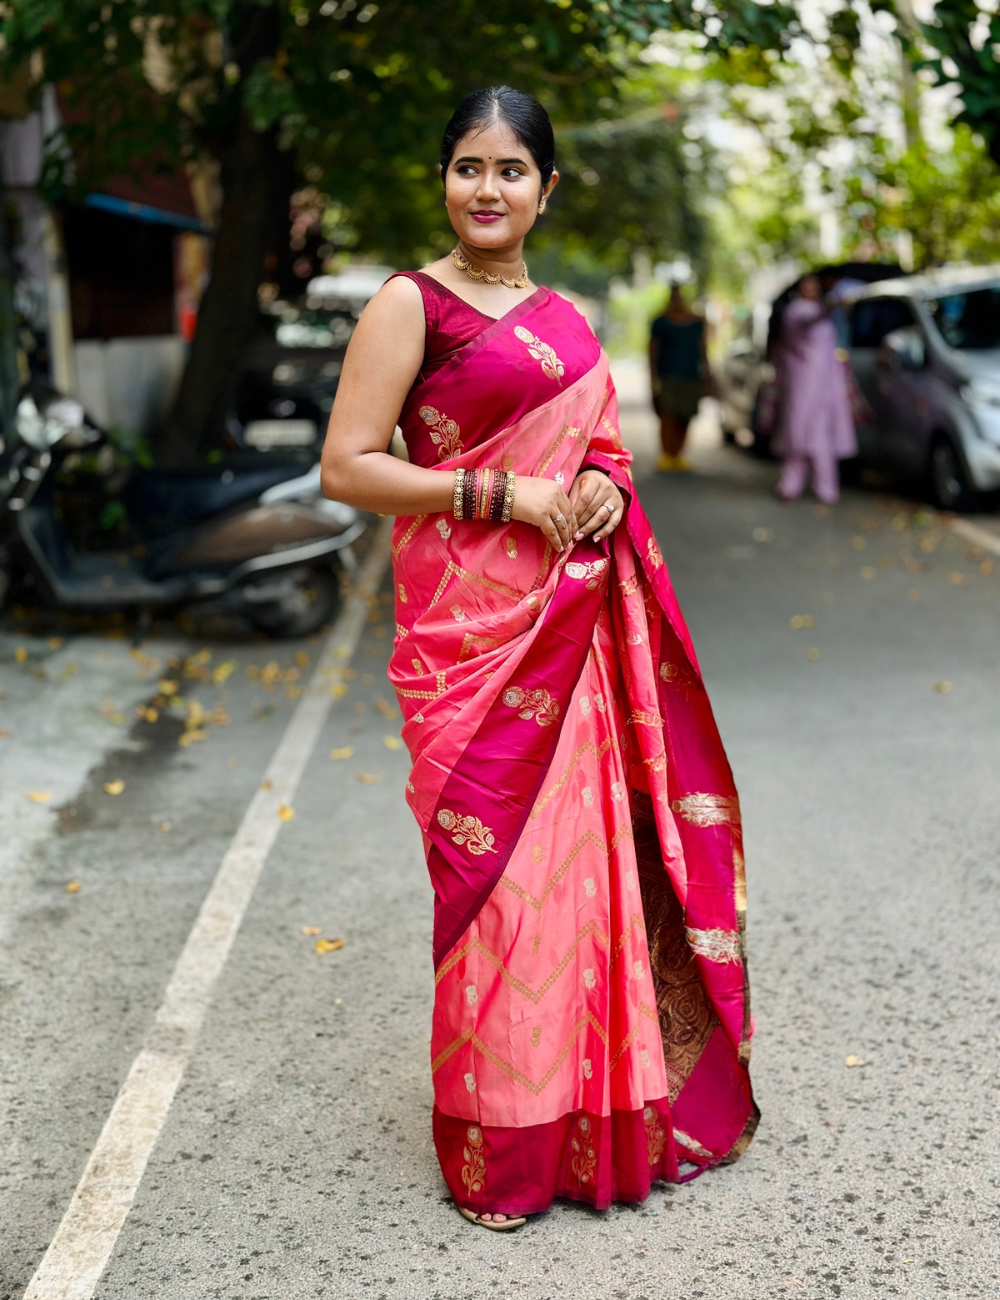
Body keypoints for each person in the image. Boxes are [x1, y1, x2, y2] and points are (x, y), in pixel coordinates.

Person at [321, 86, 757, 1232]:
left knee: (584, 886)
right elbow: (348, 466)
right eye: (468, 166)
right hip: (468, 646)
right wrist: (497, 490)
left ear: (546, 189)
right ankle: (502, 1149)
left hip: (573, 638)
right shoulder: (407, 306)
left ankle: (597, 1124)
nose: (486, 189)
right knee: (505, 892)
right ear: (443, 180)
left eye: (510, 170)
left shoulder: (565, 319)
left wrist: (607, 481)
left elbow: (600, 443)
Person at [774, 274, 857, 505]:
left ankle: (826, 490)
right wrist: (833, 304)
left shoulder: (822, 315)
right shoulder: (796, 311)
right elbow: (813, 317)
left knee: (822, 438)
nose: (811, 290)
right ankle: (790, 486)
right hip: (802, 385)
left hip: (825, 386)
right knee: (798, 438)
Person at [648, 284, 709, 472]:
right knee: (668, 415)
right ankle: (667, 453)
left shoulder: (696, 323)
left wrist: (707, 372)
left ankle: (679, 454)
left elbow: (702, 348)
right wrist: (652, 373)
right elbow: (652, 348)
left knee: (685, 416)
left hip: (691, 375)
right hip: (667, 376)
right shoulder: (661, 322)